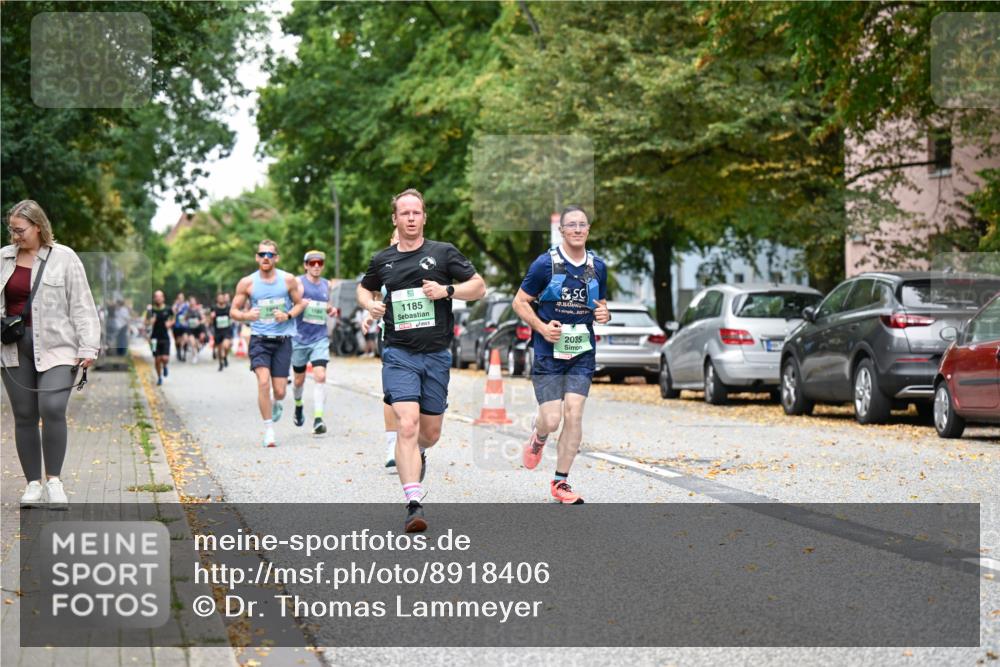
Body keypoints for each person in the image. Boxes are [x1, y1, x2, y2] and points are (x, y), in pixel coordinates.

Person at [357, 188, 485, 532]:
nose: (411, 218)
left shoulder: (443, 253)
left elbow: (479, 286)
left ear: (424, 217)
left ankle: (419, 453)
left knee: (430, 432)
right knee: (407, 424)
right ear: (395, 219)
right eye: (404, 213)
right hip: (399, 353)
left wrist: (448, 291)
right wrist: (369, 303)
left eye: (416, 213)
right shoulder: (382, 259)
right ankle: (414, 503)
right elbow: (363, 287)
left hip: (437, 355)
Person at [0, 200, 100, 509]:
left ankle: (54, 481)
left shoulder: (64, 258)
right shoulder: (3, 258)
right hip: (13, 347)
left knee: (52, 407)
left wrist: (88, 346)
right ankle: (33, 484)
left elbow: (82, 304)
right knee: (25, 415)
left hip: (59, 345)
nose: (15, 236)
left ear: (38, 227)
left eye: (20, 230)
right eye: (11, 230)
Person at [512, 205, 610, 504]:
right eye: (572, 225)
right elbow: (519, 302)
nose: (578, 229)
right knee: (552, 420)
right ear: (562, 230)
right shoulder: (545, 264)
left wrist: (605, 313)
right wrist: (542, 327)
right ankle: (539, 436)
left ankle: (561, 482)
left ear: (588, 230)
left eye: (583, 225)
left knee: (574, 413)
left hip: (581, 349)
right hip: (548, 351)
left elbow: (600, 303)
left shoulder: (598, 266)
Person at [230, 240, 305, 447]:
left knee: (279, 391)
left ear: (276, 258)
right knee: (263, 382)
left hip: (282, 341)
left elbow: (300, 304)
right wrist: (246, 315)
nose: (265, 257)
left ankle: (276, 402)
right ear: (256, 257)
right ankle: (269, 430)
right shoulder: (247, 283)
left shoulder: (288, 280)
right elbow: (233, 311)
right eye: (262, 254)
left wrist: (287, 314)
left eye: (270, 254)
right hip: (259, 340)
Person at [362, 228, 401, 468]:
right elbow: (373, 296)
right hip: (389, 337)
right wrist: (370, 312)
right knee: (392, 393)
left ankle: (412, 443)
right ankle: (391, 446)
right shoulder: (384, 263)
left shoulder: (425, 261)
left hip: (422, 339)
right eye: (396, 237)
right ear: (391, 240)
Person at [290, 250, 336, 434]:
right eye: (312, 263)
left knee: (320, 376)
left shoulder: (327, 284)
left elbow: (328, 306)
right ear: (306, 265)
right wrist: (300, 305)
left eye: (319, 263)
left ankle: (318, 419)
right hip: (299, 339)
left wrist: (330, 310)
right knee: (299, 380)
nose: (316, 266)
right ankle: (298, 405)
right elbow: (290, 306)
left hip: (319, 337)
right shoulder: (298, 283)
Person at [145, 290, 174, 385]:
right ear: (154, 298)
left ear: (163, 298)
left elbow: (174, 318)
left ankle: (165, 365)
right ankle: (159, 377)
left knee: (165, 358)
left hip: (165, 337)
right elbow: (145, 322)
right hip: (154, 338)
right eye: (156, 296)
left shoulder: (168, 309)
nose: (158, 298)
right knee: (157, 359)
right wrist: (150, 322)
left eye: (160, 296)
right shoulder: (151, 310)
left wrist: (170, 323)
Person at [209, 292, 233, 372]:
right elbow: (210, 322)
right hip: (218, 331)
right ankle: (221, 363)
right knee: (219, 349)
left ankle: (225, 356)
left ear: (224, 299)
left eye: (222, 298)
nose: (221, 299)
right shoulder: (214, 308)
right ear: (217, 299)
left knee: (226, 346)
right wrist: (211, 317)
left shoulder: (228, 307)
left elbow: (232, 317)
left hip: (226, 330)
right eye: (219, 298)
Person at [185, 296, 207, 363]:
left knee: (198, 343)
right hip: (191, 329)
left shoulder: (199, 310)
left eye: (193, 301)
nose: (192, 302)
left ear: (195, 302)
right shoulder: (187, 310)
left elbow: (204, 319)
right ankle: (195, 355)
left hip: (199, 328)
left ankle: (198, 349)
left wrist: (199, 322)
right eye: (191, 301)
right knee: (192, 342)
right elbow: (184, 319)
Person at [171, 292, 189, 361]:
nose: (181, 299)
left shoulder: (186, 305)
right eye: (179, 298)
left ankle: (184, 354)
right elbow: (173, 313)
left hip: (184, 325)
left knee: (185, 339)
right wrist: (176, 309)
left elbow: (188, 313)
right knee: (177, 340)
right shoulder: (175, 306)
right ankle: (178, 351)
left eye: (182, 298)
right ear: (177, 298)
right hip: (177, 326)